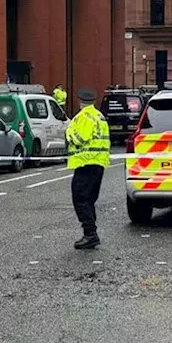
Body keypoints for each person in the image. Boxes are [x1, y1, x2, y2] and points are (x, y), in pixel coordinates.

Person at [66, 89, 110, 249]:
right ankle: (91, 233)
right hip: (98, 162)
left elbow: (80, 138)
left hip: (86, 163)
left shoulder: (85, 116)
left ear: (80, 101)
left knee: (80, 198)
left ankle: (90, 234)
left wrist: (69, 133)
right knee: (89, 199)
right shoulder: (99, 115)